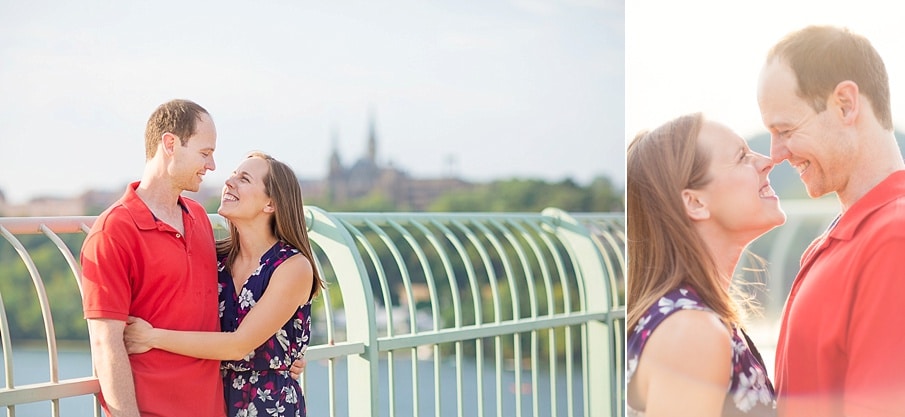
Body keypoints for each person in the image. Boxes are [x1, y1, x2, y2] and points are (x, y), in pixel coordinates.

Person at [757, 25, 905, 416]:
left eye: (785, 130)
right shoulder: (847, 237)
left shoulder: (895, 239)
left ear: (845, 104)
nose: (776, 153)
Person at [123, 151, 323, 417]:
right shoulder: (214, 259)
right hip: (208, 401)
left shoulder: (293, 267)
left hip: (269, 407)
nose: (229, 183)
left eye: (244, 179)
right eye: (232, 176)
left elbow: (239, 345)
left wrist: (151, 337)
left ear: (270, 204)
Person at [626, 112, 785, 417]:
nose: (767, 161)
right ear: (695, 203)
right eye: (742, 157)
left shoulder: (686, 319)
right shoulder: (692, 333)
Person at [80, 99, 224, 416]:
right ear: (170, 144)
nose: (212, 165)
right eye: (205, 153)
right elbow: (106, 346)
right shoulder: (113, 231)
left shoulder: (200, 218)